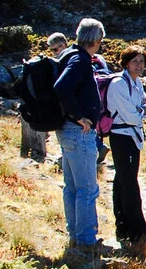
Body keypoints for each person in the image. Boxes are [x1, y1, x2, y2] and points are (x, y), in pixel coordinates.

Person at [53, 18, 106, 254]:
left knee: (72, 187)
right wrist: (79, 117)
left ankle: (75, 235)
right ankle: (86, 240)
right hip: (78, 132)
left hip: (67, 131)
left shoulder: (67, 54)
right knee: (87, 189)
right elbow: (62, 87)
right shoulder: (80, 60)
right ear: (96, 40)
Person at [106, 45, 146, 252]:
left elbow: (145, 106)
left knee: (123, 180)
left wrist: (140, 111)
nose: (139, 65)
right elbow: (132, 115)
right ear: (126, 62)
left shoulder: (137, 82)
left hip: (133, 137)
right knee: (129, 183)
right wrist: (140, 111)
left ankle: (124, 228)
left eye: (142, 61)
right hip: (122, 137)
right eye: (135, 61)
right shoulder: (118, 84)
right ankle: (137, 231)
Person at [19, 32, 67, 161]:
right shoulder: (56, 64)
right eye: (52, 50)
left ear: (65, 45)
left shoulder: (67, 62)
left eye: (56, 49)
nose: (55, 52)